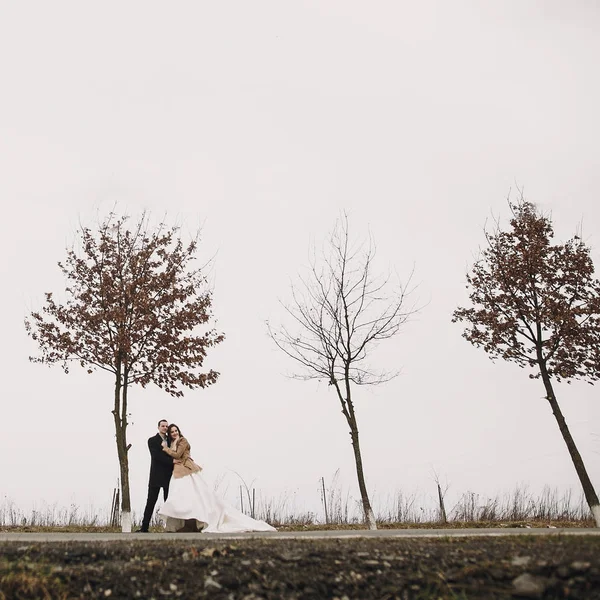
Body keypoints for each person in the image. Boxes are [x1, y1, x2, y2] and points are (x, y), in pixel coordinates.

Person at [158, 424, 276, 533]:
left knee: (193, 498)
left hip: (187, 471)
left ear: (179, 431)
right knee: (182, 499)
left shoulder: (182, 441)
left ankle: (193, 524)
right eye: (172, 431)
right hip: (178, 472)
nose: (174, 433)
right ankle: (187, 524)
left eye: (176, 430)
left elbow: (178, 454)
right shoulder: (172, 442)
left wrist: (165, 449)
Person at [137, 419, 174, 533]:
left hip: (169, 476)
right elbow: (156, 456)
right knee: (151, 502)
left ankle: (170, 528)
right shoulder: (152, 441)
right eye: (162, 426)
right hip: (156, 476)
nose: (165, 428)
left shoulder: (171, 440)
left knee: (169, 502)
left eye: (166, 426)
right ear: (158, 427)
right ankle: (144, 527)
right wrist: (172, 461)